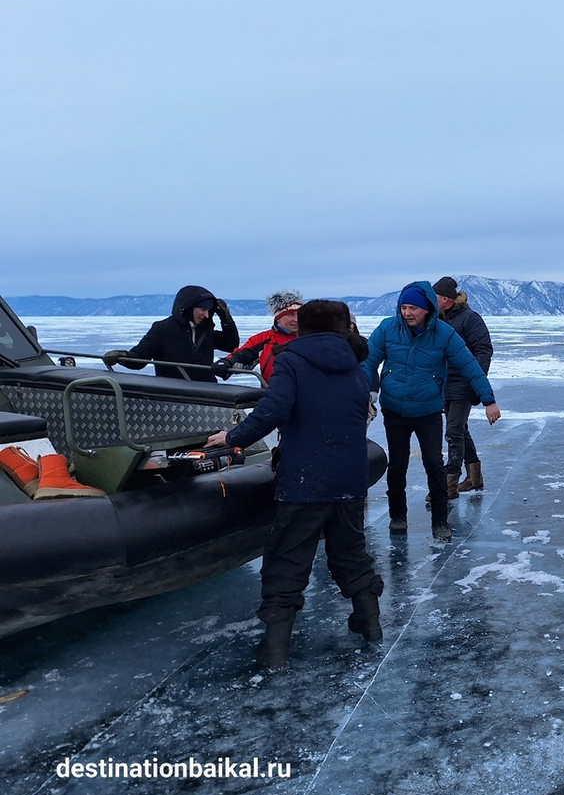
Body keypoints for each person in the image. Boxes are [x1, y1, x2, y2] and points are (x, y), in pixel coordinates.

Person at [205, 300, 382, 670]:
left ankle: (275, 649)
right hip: (350, 476)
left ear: (303, 327)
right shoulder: (356, 367)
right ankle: (370, 623)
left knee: (288, 558)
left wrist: (234, 437)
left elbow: (273, 409)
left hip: (305, 479)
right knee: (350, 551)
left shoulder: (291, 361)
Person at [363, 281, 501, 542]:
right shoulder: (387, 329)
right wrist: (362, 394)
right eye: (403, 307)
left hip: (428, 410)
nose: (407, 313)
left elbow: (470, 365)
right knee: (398, 466)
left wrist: (488, 400)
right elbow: (368, 363)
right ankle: (397, 518)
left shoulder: (444, 334)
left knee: (434, 464)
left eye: (413, 308)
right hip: (395, 410)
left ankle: (440, 522)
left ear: (427, 309)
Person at [433, 276, 494, 498]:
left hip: (463, 383)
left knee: (454, 431)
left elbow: (484, 350)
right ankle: (475, 476)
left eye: (434, 297)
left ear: (446, 299)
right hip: (444, 384)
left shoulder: (470, 319)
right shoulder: (437, 320)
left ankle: (449, 484)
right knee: (460, 429)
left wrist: (476, 380)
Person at [104, 285, 239, 383]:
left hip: (207, 392)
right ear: (188, 307)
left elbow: (231, 344)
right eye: (203, 309)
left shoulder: (206, 331)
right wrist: (122, 357)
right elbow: (139, 359)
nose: (206, 315)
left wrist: (225, 318)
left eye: (209, 311)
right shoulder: (163, 329)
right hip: (174, 393)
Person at [214, 290, 303, 384]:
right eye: (290, 315)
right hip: (273, 394)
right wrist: (227, 362)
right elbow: (242, 356)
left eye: (299, 314)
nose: (296, 320)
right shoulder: (264, 340)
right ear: (278, 317)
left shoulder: (311, 338)